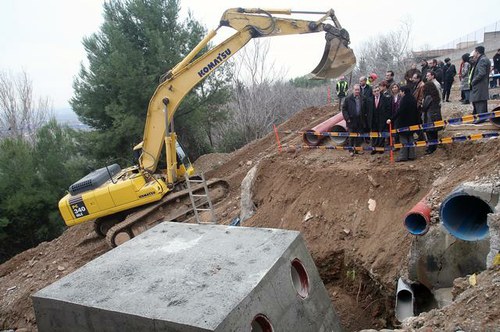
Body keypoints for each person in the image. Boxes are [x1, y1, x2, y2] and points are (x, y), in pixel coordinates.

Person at [387, 86, 420, 162]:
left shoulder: (404, 100)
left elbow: (399, 111)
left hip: (403, 123)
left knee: (403, 140)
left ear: (403, 92)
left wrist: (391, 119)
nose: (400, 93)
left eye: (401, 92)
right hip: (412, 123)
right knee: (411, 138)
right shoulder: (413, 99)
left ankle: (403, 156)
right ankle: (412, 155)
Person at [342, 84, 368, 156]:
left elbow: (366, 109)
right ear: (353, 90)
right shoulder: (348, 99)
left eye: (358, 90)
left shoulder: (363, 98)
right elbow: (344, 109)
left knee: (359, 136)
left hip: (360, 120)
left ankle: (357, 149)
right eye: (355, 90)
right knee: (351, 136)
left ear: (360, 90)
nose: (357, 91)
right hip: (351, 120)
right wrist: (347, 119)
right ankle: (351, 150)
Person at [368, 84, 392, 154]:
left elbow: (388, 110)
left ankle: (381, 148)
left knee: (381, 134)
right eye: (375, 91)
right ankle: (374, 148)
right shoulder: (369, 100)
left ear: (380, 91)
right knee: (374, 134)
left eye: (378, 91)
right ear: (373, 92)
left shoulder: (385, 99)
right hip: (373, 120)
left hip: (382, 120)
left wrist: (388, 118)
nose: (376, 92)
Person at [421, 81, 443, 155]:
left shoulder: (428, 97)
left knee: (429, 133)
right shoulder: (436, 96)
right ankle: (434, 146)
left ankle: (431, 148)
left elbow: (424, 107)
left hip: (429, 117)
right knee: (434, 133)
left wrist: (422, 104)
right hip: (436, 116)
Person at [469, 45, 490, 116]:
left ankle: (481, 118)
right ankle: (480, 117)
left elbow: (481, 73)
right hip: (480, 86)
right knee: (479, 103)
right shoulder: (483, 59)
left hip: (480, 86)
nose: (474, 54)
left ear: (477, 52)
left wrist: (473, 81)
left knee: (480, 103)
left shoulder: (482, 60)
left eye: (474, 51)